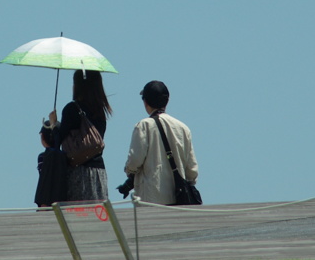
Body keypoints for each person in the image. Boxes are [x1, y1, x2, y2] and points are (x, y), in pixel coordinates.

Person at [40, 70, 112, 202]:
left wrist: (53, 124)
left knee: (77, 217)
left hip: (78, 172)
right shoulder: (101, 111)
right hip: (98, 173)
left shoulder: (72, 109)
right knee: (96, 215)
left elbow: (57, 141)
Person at [123, 80, 199, 205]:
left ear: (146, 102)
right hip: (179, 199)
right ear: (166, 101)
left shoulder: (144, 126)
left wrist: (129, 172)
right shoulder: (183, 128)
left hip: (151, 198)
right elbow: (192, 170)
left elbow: (134, 161)